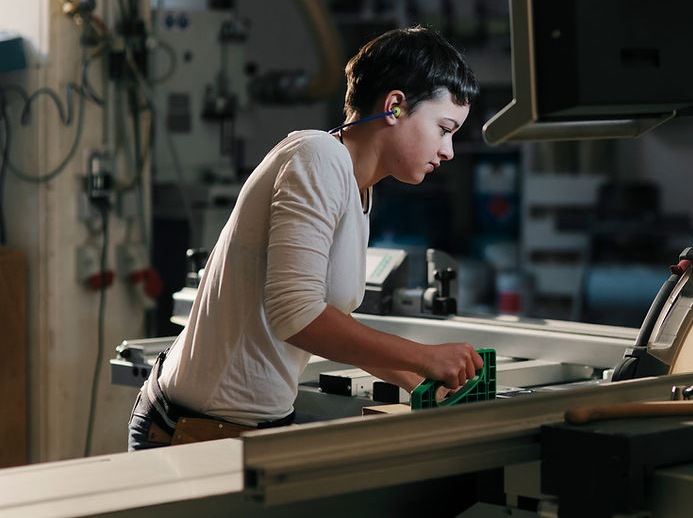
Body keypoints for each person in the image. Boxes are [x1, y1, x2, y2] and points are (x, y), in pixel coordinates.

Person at [128, 27, 482, 450]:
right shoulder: (318, 156)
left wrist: (416, 380)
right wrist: (424, 357)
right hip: (190, 431)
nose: (449, 151)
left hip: (239, 429)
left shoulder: (357, 188)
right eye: (444, 128)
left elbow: (325, 318)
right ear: (394, 107)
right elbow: (296, 314)